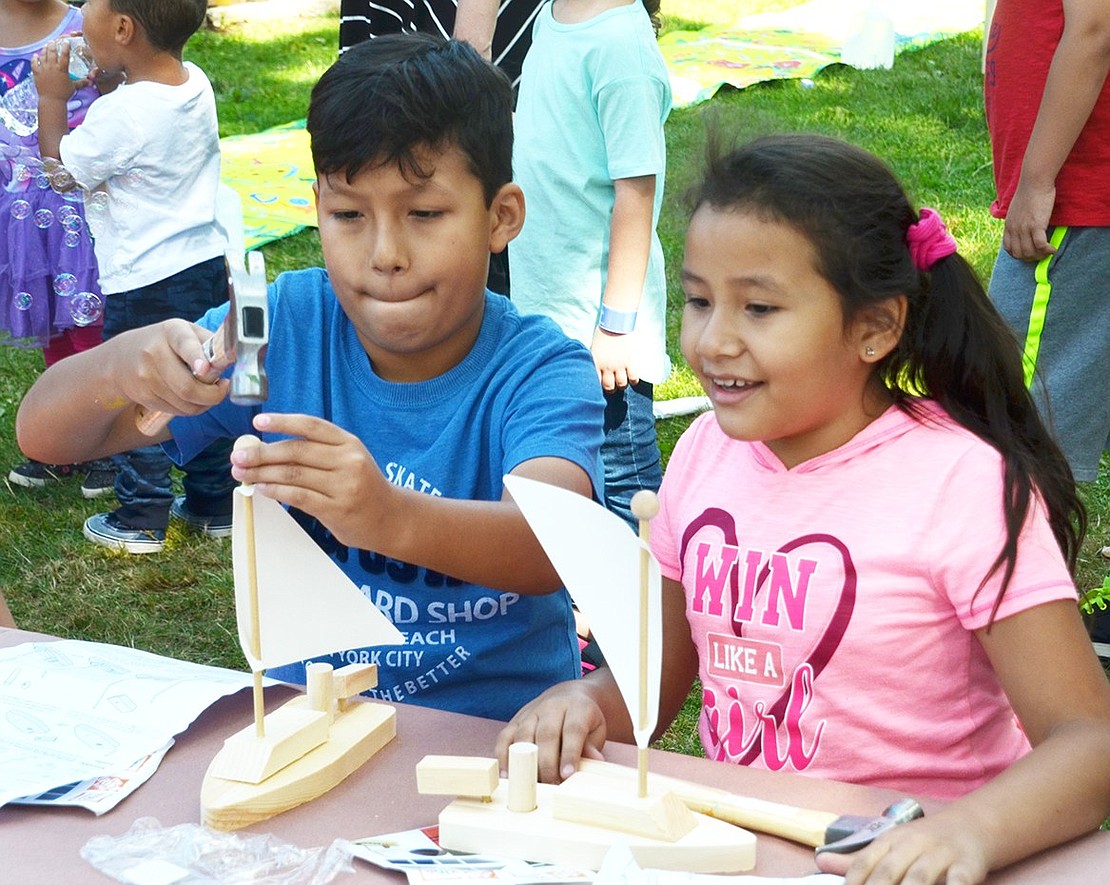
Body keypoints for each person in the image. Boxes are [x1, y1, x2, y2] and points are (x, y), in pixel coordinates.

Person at [496, 134, 1110, 884]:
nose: (713, 339)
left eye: (758, 307)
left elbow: (1089, 740)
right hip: (748, 858)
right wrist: (590, 698)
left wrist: (968, 832)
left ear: (875, 327)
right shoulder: (701, 456)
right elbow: (654, 678)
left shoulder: (963, 485)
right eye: (697, 300)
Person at [15, 34, 607, 721]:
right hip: (313, 733)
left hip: (501, 742)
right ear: (317, 206)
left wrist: (386, 516)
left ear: (499, 216)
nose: (385, 254)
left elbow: (549, 545)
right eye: (350, 215)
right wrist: (126, 364)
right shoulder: (281, 327)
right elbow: (45, 434)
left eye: (424, 214)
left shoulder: (539, 369)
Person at [30, 0, 236, 553]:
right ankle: (215, 504)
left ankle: (141, 513)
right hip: (201, 266)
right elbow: (140, 132)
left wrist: (52, 98)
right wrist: (104, 87)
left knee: (142, 391)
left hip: (144, 280)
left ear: (122, 30)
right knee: (201, 380)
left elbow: (62, 174)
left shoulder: (119, 116)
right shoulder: (192, 83)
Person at [509, 0, 670, 530]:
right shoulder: (549, 16)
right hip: (551, 312)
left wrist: (616, 327)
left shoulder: (621, 48)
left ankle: (641, 602)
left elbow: (636, 197)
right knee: (565, 461)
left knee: (625, 481)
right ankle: (587, 598)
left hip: (605, 331)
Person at [983, 0, 1110, 660]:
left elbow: (1094, 29)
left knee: (1020, 432)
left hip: (1077, 200)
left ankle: (1030, 637)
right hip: (1083, 197)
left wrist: (1037, 179)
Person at [0, 0, 115, 498]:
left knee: (88, 323)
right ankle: (69, 437)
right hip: (19, 206)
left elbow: (122, 91)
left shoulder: (84, 24)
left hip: (77, 202)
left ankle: (110, 441)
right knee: (49, 317)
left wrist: (102, 79)